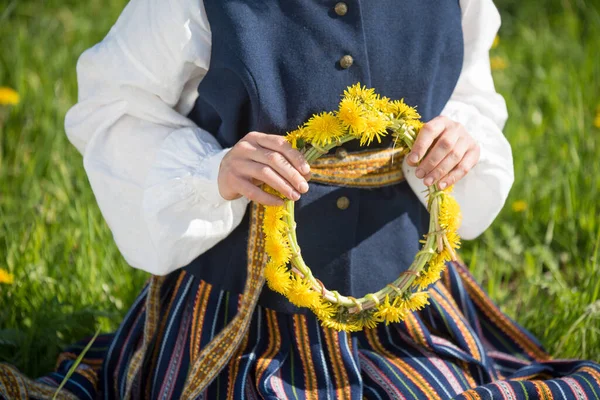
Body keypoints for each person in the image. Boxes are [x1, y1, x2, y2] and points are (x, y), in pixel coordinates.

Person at [2, 0, 599, 398]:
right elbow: (116, 107)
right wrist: (215, 173)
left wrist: (456, 136)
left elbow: (469, 88)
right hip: (245, 313)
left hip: (404, 301)